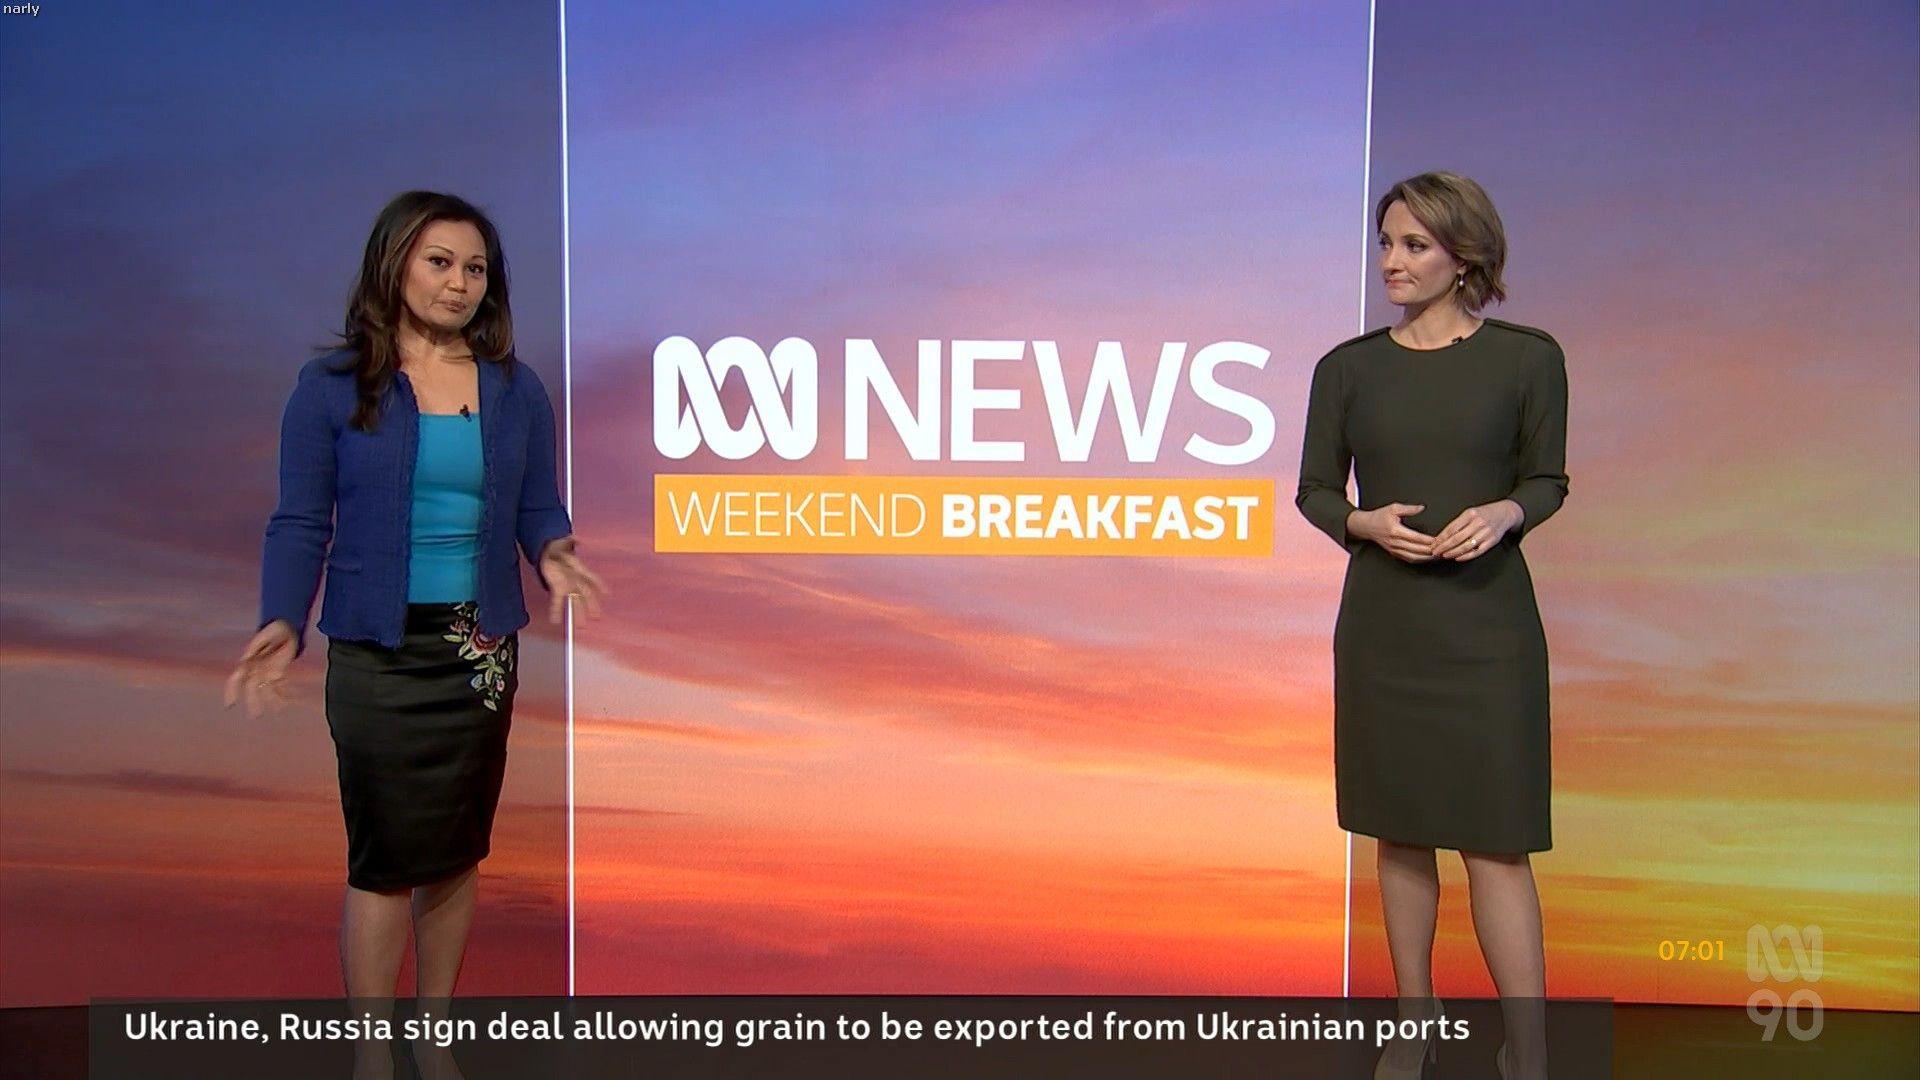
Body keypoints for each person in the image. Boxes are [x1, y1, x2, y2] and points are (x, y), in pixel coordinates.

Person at [224, 191, 607, 1080]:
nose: (459, 283)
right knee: (385, 856)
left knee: (455, 852)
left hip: (478, 654)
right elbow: (299, 521)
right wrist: (280, 620)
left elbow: (537, 504)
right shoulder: (331, 387)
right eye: (440, 262)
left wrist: (553, 553)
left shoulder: (515, 389)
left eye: (475, 268)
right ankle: (373, 1051)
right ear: (394, 264)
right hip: (376, 653)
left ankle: (433, 1035)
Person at [1295, 172, 1567, 1080]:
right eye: (1386, 243)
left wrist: (1506, 513)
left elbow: (1547, 479)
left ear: (1465, 255)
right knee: (1400, 831)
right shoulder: (1346, 369)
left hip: (1489, 630)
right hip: (1387, 629)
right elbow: (1315, 491)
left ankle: (1528, 1049)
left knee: (1498, 841)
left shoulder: (1528, 359)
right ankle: (1416, 1018)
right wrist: (1362, 523)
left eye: (1414, 245)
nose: (1391, 262)